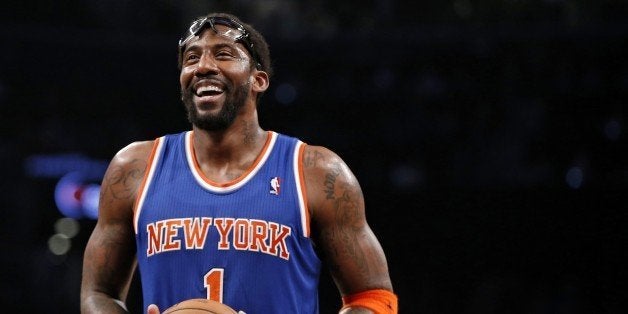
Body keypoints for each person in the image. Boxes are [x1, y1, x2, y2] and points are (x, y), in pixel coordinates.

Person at [80, 12, 397, 314]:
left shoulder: (315, 171)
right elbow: (98, 293)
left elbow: (375, 297)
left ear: (258, 80)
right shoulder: (134, 168)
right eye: (192, 58)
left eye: (223, 54)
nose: (203, 66)